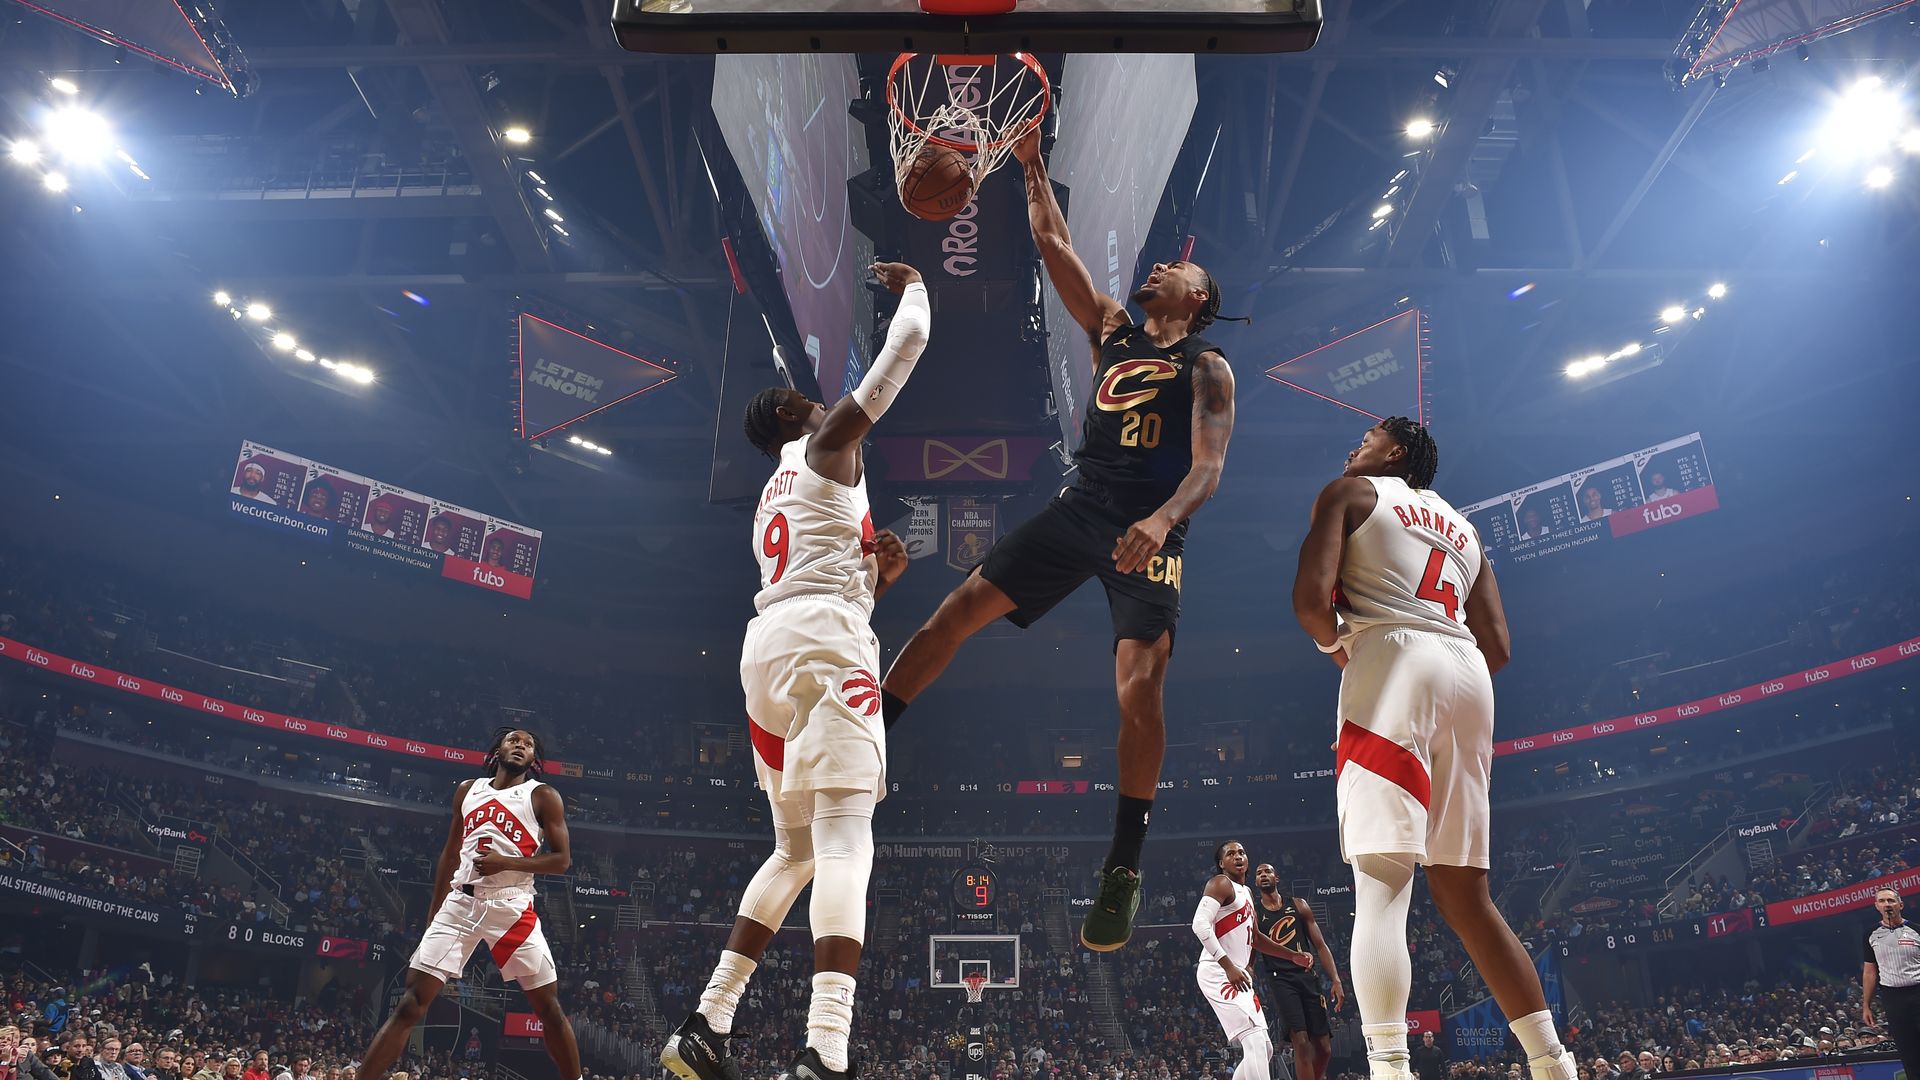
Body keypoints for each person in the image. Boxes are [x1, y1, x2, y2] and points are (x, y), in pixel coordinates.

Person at [881, 124, 1238, 952]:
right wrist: (1034, 165)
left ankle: (1123, 864)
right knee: (949, 618)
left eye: (1175, 269)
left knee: (1138, 693)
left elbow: (1210, 468)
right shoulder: (1112, 329)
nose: (1158, 267)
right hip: (1080, 508)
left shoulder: (1208, 367)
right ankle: (870, 739)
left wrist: (1160, 522)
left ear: (1197, 299)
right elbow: (1051, 242)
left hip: (1152, 533)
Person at [661, 261, 930, 1080]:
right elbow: (907, 346)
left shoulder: (773, 496)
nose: (820, 398)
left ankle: (708, 1024)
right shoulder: (821, 444)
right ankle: (827, 1051)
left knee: (794, 853)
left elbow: (817, 577)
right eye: (806, 395)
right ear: (789, 412)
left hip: (770, 653)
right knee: (847, 842)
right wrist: (914, 288)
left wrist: (877, 577)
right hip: (823, 646)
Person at [1291, 418, 1577, 1080]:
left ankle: (1391, 1070)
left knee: (1382, 879)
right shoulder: (1465, 530)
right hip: (1470, 677)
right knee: (1465, 896)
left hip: (1394, 656)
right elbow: (1499, 644)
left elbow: (1310, 603)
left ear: (1395, 452)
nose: (1352, 446)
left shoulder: (1349, 493)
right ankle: (1553, 1064)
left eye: (1366, 436)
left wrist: (1348, 652)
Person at [355, 727, 583, 1080]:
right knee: (410, 1003)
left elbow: (562, 860)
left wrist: (507, 863)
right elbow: (450, 853)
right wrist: (435, 910)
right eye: (514, 739)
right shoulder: (467, 790)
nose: (521, 745)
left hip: (512, 906)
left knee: (548, 1009)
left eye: (528, 744)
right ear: (497, 750)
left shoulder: (542, 796)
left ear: (534, 760)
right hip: (459, 904)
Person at [1193, 843, 1315, 1080]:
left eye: (1241, 853)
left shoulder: (1246, 893)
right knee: (1255, 1041)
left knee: (1265, 1048)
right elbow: (1199, 925)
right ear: (1221, 864)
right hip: (1218, 971)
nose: (1238, 857)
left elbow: (1256, 938)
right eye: (1230, 854)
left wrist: (1292, 955)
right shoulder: (1220, 883)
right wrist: (1228, 966)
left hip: (1237, 974)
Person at [1250, 863, 1343, 1080]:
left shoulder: (1299, 905)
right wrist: (1249, 968)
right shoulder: (1254, 912)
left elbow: (1320, 945)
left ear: (1277, 877)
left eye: (1268, 871)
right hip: (1281, 979)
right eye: (1259, 873)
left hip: (1307, 977)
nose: (1263, 875)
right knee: (1300, 1042)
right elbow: (1253, 943)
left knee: (1324, 1048)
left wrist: (1336, 980)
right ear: (1255, 882)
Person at [1862, 887, 1919, 1078]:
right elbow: (1870, 972)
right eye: (1882, 901)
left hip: (1918, 991)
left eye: (1891, 901)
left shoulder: (1916, 930)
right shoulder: (1870, 934)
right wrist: (1866, 1005)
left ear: (1900, 905)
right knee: (1907, 1049)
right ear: (1876, 906)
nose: (1887, 904)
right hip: (1893, 997)